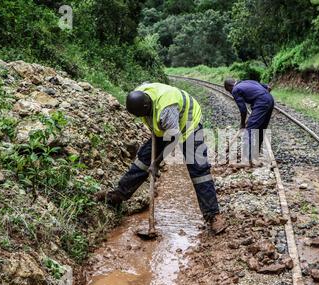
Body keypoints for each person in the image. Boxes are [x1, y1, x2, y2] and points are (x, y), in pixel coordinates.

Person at [96, 82, 228, 234]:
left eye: (143, 115)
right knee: (143, 160)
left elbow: (174, 138)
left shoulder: (166, 111)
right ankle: (119, 194)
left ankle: (213, 216)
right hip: (164, 128)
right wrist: (152, 160)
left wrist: (157, 162)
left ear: (147, 107)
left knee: (199, 170)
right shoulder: (141, 93)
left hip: (188, 125)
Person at [224, 79, 274, 166]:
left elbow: (243, 110)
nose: (231, 93)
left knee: (249, 131)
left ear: (229, 87)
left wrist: (242, 123)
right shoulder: (247, 82)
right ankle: (254, 157)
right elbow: (268, 88)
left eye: (229, 91)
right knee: (260, 129)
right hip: (270, 100)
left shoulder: (235, 89)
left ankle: (246, 161)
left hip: (261, 103)